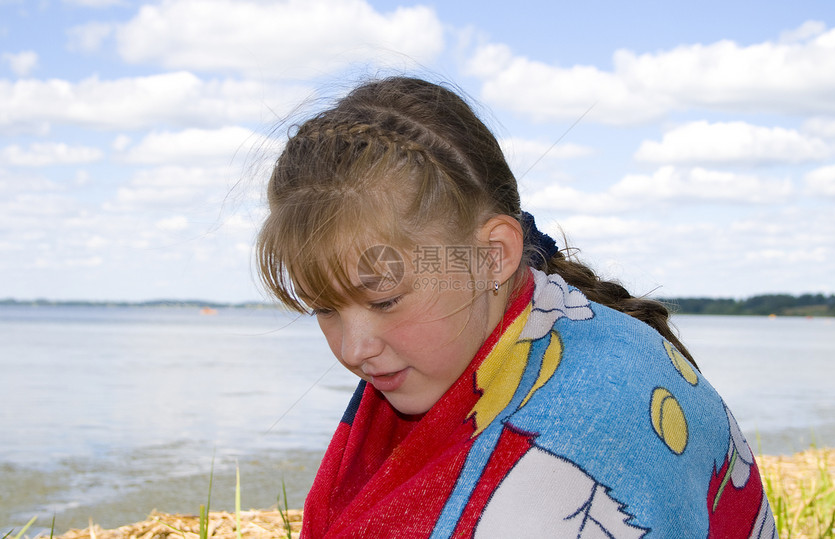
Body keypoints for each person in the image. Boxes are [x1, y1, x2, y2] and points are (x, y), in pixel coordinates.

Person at [257, 76, 776, 538]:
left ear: (493, 256)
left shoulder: (561, 467)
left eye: (386, 300)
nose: (354, 349)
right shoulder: (528, 336)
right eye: (323, 308)